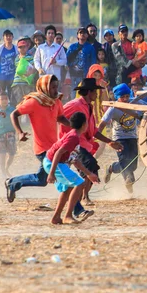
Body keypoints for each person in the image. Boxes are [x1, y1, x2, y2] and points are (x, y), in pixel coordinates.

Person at [60, 77, 123, 217]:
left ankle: (82, 198)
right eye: (95, 91)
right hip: (74, 142)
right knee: (89, 166)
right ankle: (81, 200)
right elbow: (59, 116)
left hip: (83, 143)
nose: (97, 94)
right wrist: (71, 130)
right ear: (89, 92)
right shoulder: (75, 104)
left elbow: (93, 130)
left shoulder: (89, 106)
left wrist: (109, 141)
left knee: (89, 168)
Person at [5, 75, 70, 202]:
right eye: (52, 87)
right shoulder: (35, 102)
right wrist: (20, 132)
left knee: (41, 180)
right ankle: (75, 204)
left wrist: (73, 126)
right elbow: (14, 114)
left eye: (56, 87)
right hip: (42, 148)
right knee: (58, 172)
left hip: (53, 146)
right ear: (45, 87)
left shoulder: (56, 101)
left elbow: (60, 117)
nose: (55, 90)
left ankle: (12, 183)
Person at [45, 111, 99, 225]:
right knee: (79, 183)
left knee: (68, 189)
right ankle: (68, 216)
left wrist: (89, 174)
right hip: (53, 163)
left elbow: (75, 161)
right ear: (84, 125)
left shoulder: (74, 136)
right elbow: (58, 153)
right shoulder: (73, 137)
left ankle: (56, 217)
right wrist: (51, 173)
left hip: (56, 163)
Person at [101, 83, 146, 193]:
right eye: (122, 97)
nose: (125, 99)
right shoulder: (113, 108)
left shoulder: (135, 102)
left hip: (132, 137)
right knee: (125, 160)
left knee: (133, 164)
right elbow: (103, 123)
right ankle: (129, 180)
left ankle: (111, 167)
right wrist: (98, 135)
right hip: (119, 138)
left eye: (127, 96)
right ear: (117, 98)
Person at [0, 91, 16, 177]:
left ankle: (6, 168)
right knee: (2, 154)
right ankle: (3, 172)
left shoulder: (12, 109)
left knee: (12, 154)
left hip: (11, 134)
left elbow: (16, 120)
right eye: (2, 99)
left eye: (6, 99)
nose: (4, 101)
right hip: (0, 134)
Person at [10, 37, 36, 106]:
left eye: (24, 47)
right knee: (19, 103)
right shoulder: (16, 58)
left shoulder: (30, 57)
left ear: (27, 47)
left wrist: (29, 72)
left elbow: (34, 68)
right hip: (16, 83)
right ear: (18, 49)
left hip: (26, 83)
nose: (22, 48)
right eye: (20, 47)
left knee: (27, 103)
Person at [0, 29, 17, 93]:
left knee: (12, 96)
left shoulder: (16, 48)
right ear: (3, 37)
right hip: (0, 77)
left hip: (12, 77)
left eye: (10, 36)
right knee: (0, 95)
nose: (8, 37)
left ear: (12, 37)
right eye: (7, 36)